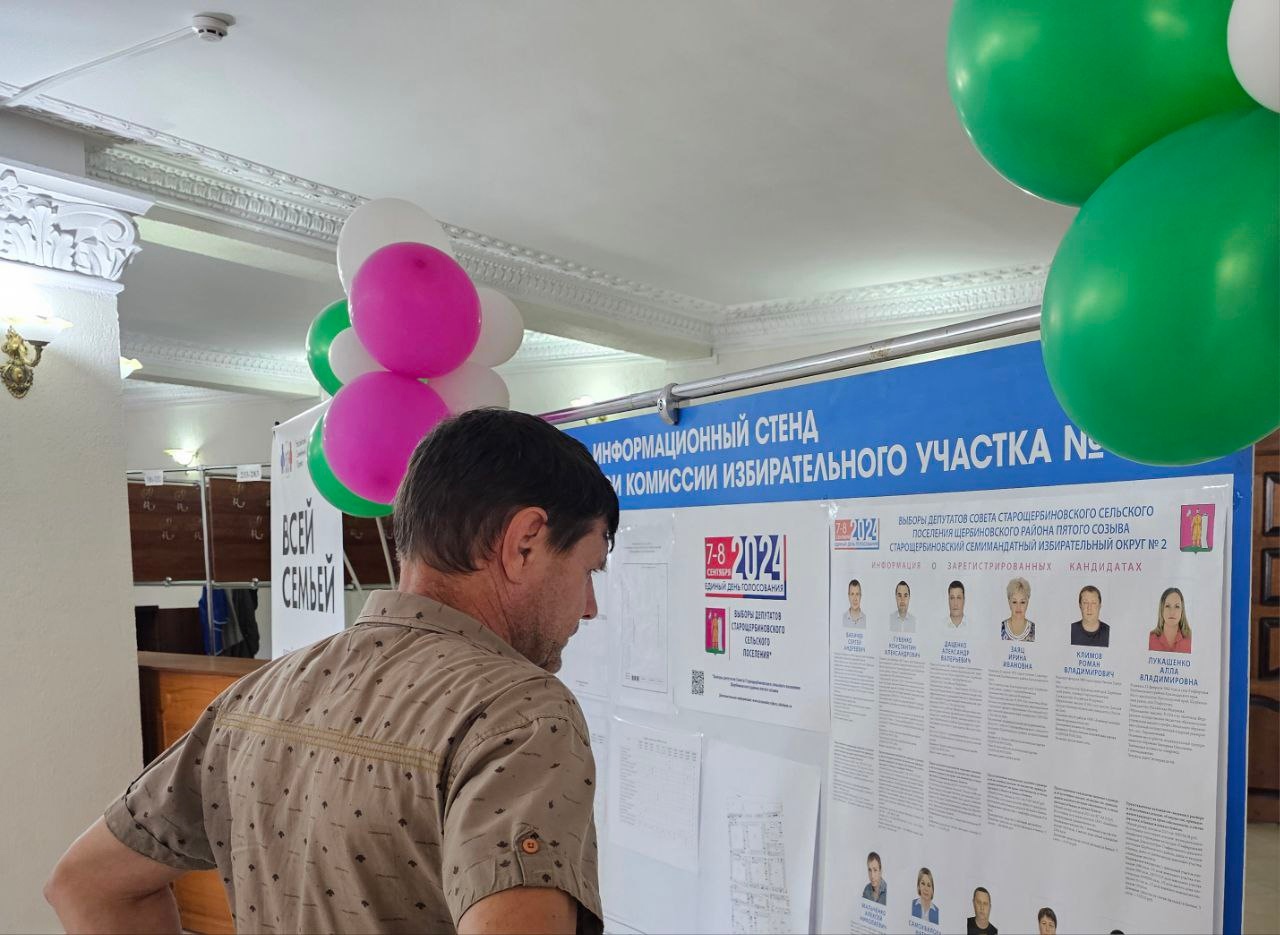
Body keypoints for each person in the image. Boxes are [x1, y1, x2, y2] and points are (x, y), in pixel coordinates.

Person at [45, 410, 621, 935]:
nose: (589, 606)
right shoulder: (520, 713)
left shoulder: (258, 695)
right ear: (524, 543)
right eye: (589, 569)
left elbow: (87, 885)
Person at [1149, 586, 1192, 653]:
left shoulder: (1190, 640)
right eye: (1167, 606)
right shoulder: (1150, 639)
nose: (1172, 612)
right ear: (1162, 609)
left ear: (1182, 611)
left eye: (1177, 606)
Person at [999, 577, 1036, 642]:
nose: (1018, 607)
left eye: (1022, 602)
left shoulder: (1034, 629)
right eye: (1014, 602)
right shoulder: (1001, 627)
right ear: (1009, 602)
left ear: (1027, 603)